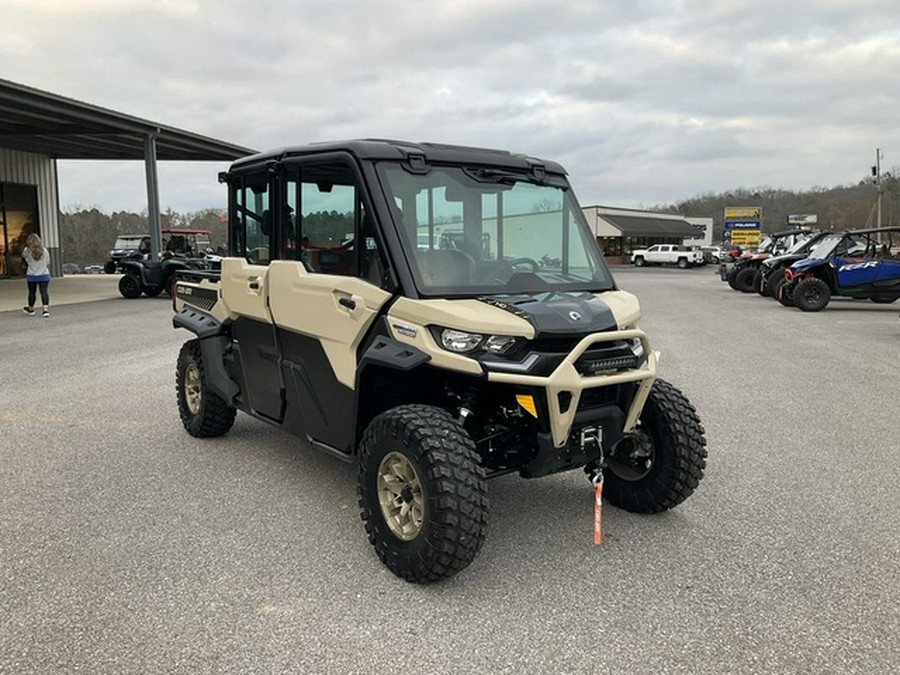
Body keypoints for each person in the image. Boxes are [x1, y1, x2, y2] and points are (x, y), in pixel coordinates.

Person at [22, 233, 51, 318]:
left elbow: (24, 259)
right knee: (44, 292)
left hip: (32, 275)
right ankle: (45, 311)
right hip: (44, 274)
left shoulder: (27, 251)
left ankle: (31, 309)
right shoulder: (44, 251)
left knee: (32, 292)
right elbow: (48, 262)